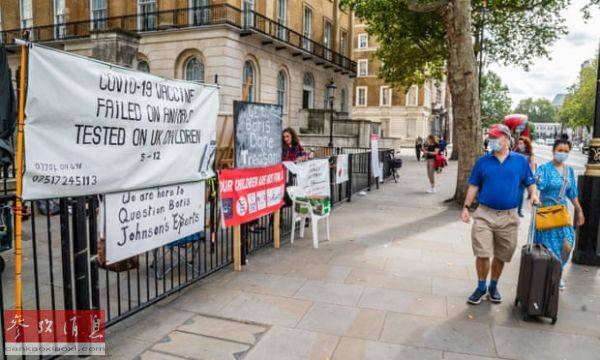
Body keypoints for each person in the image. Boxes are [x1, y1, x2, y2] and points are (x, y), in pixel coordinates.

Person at [461, 124, 539, 305]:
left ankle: (493, 286)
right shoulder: (483, 161)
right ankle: (481, 286)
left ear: (506, 138)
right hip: (484, 214)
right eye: (490, 137)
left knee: (502, 255)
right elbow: (474, 185)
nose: (492, 140)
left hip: (509, 216)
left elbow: (530, 182)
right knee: (482, 252)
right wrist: (466, 207)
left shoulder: (520, 161)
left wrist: (533, 194)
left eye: (496, 137)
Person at [534, 138, 585, 290]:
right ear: (554, 150)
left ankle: (558, 271)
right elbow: (537, 186)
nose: (562, 154)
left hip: (562, 213)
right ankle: (551, 275)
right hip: (547, 213)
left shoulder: (568, 171)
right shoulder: (544, 168)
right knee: (549, 248)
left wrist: (579, 210)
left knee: (568, 244)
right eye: (560, 150)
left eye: (566, 151)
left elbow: (572, 192)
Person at [513, 136, 535, 217]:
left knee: (521, 193)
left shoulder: (530, 154)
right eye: (518, 143)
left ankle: (519, 211)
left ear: (526, 144)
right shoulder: (515, 152)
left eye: (521, 143)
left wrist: (531, 177)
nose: (519, 145)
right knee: (515, 192)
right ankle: (513, 209)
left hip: (524, 176)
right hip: (515, 175)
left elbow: (532, 165)